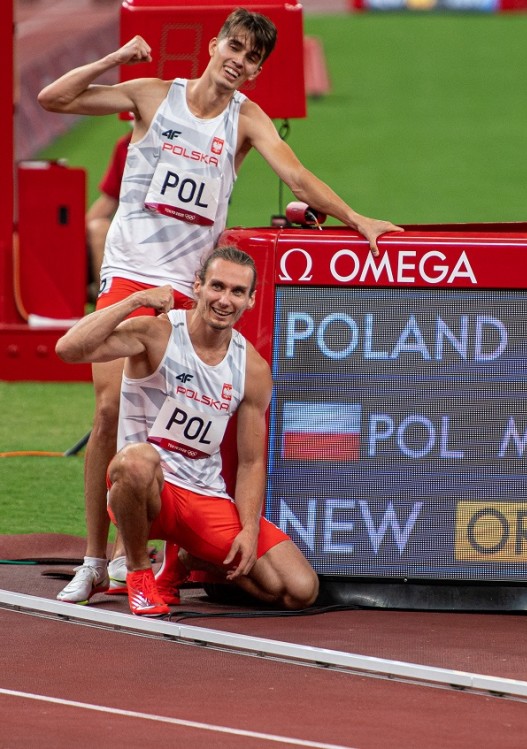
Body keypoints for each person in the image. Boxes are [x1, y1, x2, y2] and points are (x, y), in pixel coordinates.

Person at [37, 8, 401, 604]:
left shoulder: (246, 120)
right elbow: (54, 97)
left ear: (256, 71)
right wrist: (113, 60)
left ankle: (172, 563)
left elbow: (299, 177)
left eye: (252, 57)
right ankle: (97, 559)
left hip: (191, 288)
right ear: (214, 45)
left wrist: (357, 220)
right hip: (131, 275)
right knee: (108, 409)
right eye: (234, 46)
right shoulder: (153, 96)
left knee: (191, 423)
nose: (239, 60)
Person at [55, 246, 319, 616]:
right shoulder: (156, 334)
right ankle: (138, 573)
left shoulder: (253, 369)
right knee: (135, 461)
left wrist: (247, 531)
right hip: (146, 492)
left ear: (251, 300)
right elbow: (68, 349)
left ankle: (185, 560)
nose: (225, 300)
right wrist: (135, 300)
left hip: (203, 497)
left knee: (298, 589)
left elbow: (250, 461)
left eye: (237, 292)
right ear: (197, 286)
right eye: (217, 286)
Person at [85, 130, 131, 303]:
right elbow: (110, 199)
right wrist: (73, 238)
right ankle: (106, 304)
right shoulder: (125, 145)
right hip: (130, 232)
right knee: (98, 228)